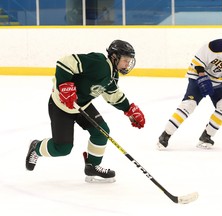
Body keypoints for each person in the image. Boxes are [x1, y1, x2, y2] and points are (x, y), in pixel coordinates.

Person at [25, 40, 146, 183]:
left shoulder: (113, 75)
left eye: (129, 61)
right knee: (62, 148)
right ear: (114, 57)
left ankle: (92, 166)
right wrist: (64, 85)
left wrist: (129, 109)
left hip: (82, 105)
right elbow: (65, 62)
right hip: (61, 106)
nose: (128, 64)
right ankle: (36, 147)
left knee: (101, 132)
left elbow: (112, 95)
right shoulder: (99, 63)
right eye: (125, 60)